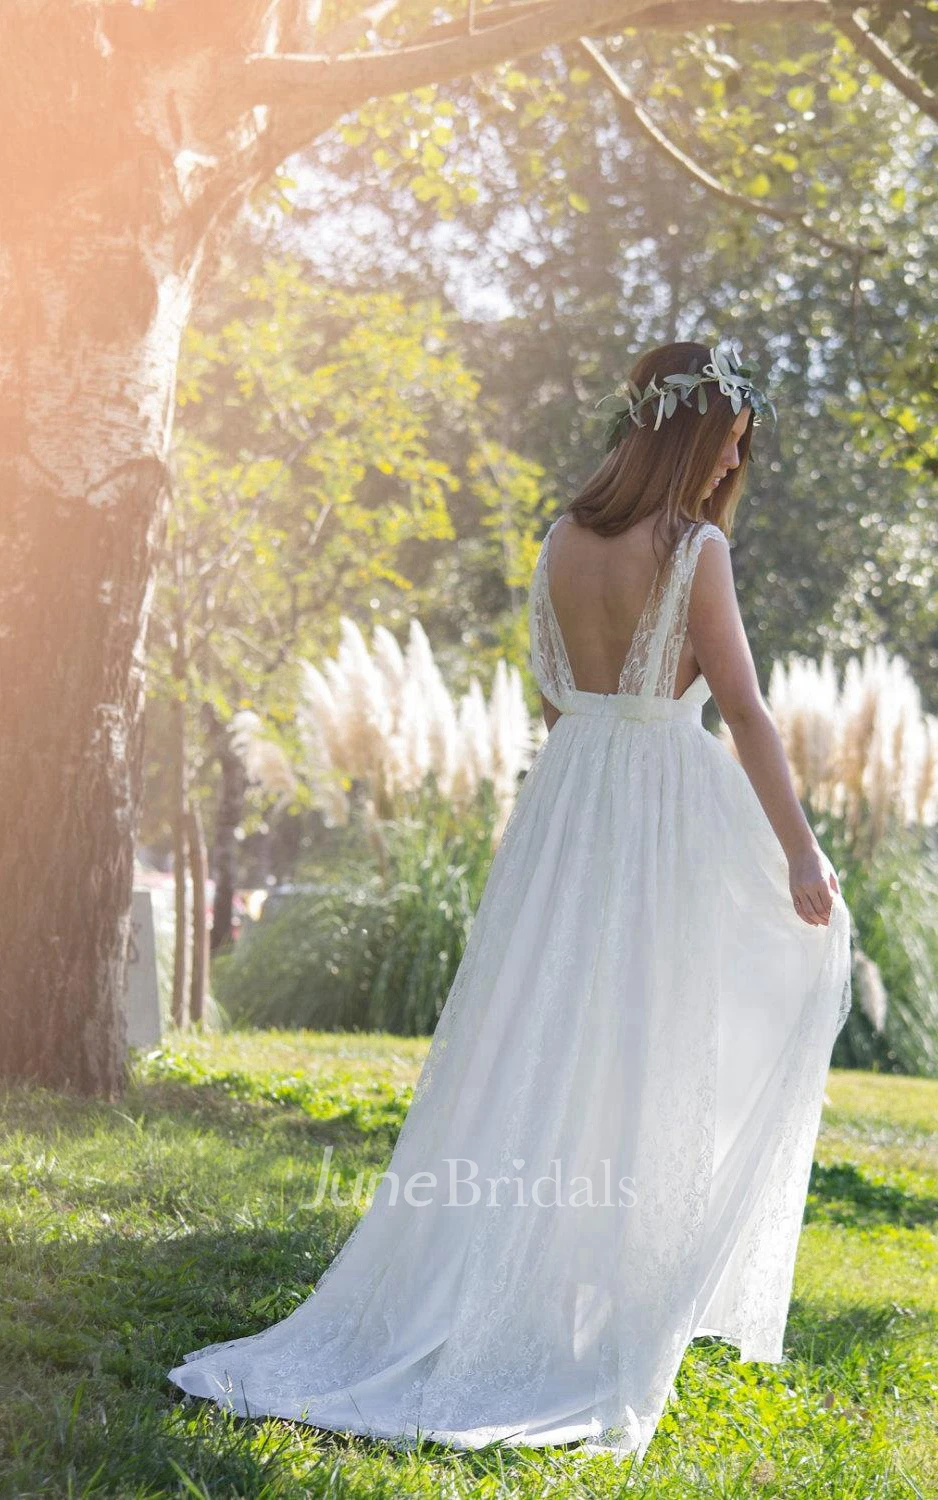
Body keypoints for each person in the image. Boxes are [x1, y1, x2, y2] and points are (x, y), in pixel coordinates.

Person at [168, 339, 852, 1464]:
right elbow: (743, 711)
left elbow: (564, 700)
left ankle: (545, 1277)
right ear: (686, 432)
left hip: (568, 806)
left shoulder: (561, 540)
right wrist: (799, 853)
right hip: (654, 812)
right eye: (728, 438)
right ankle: (585, 1303)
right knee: (639, 1048)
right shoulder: (694, 550)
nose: (735, 459)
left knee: (546, 1037)